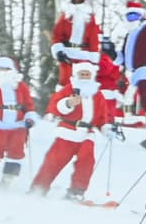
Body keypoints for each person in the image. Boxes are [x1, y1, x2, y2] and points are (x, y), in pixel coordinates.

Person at [31, 60, 114, 199]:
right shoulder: (68, 90)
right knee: (54, 161)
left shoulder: (97, 94)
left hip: (87, 134)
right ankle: (39, 187)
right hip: (68, 131)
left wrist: (106, 129)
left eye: (87, 74)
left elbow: (101, 117)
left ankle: (77, 191)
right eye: (82, 74)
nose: (85, 77)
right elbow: (55, 107)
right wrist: (68, 103)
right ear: (76, 75)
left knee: (87, 162)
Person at [0, 57, 38, 187]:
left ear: (13, 70)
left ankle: (8, 178)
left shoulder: (21, 86)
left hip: (18, 124)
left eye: (6, 69)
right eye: (0, 69)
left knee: (16, 151)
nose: (3, 72)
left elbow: (29, 104)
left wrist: (30, 117)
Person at [49, 0, 102, 103]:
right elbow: (57, 36)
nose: (78, 4)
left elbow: (94, 39)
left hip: (84, 55)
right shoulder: (65, 18)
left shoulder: (90, 19)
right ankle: (61, 106)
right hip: (67, 54)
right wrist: (58, 51)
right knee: (65, 81)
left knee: (84, 81)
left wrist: (94, 58)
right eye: (75, 1)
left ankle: (84, 107)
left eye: (80, 1)